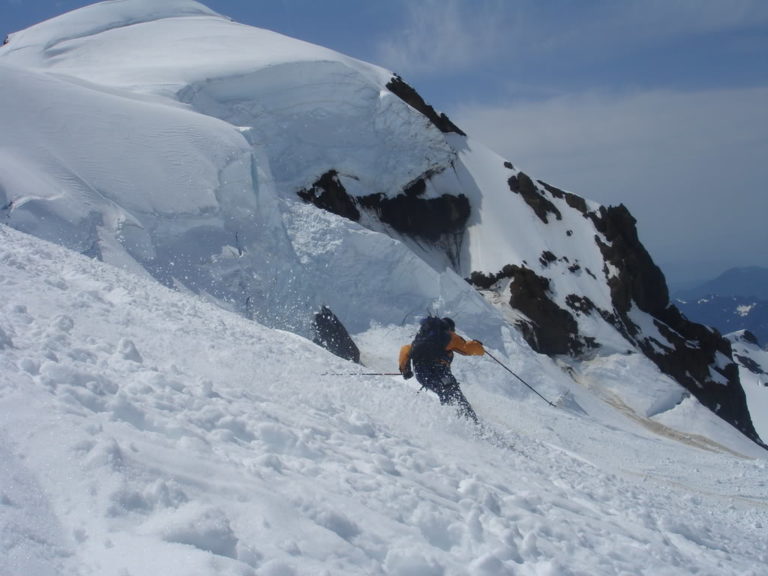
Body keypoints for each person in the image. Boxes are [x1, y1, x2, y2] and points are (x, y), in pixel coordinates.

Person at [399, 317, 485, 423]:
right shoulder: (449, 336)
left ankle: (451, 421)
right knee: (455, 395)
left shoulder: (420, 339)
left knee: (444, 394)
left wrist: (405, 370)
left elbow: (405, 350)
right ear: (450, 328)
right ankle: (472, 424)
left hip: (421, 373)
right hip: (440, 372)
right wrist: (478, 346)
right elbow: (467, 349)